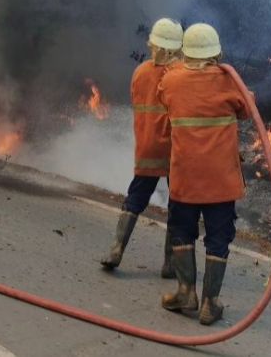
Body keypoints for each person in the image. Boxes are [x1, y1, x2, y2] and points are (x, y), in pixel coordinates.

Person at [158, 22, 250, 326]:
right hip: (220, 180)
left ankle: (186, 293)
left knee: (182, 230)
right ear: (216, 52)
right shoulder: (228, 81)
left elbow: (163, 98)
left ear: (185, 51)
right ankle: (211, 303)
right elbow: (247, 109)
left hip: (185, 177)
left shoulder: (171, 81)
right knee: (218, 237)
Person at [100, 18, 183, 277]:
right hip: (174, 149)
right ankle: (170, 264)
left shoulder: (140, 72)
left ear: (152, 45)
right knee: (178, 204)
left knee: (136, 197)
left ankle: (116, 249)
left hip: (147, 147)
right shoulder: (179, 76)